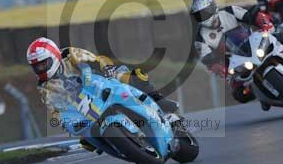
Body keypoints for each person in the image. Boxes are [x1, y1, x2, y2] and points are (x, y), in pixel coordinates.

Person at [26, 38, 178, 151]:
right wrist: (64, 120)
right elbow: (55, 110)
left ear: (54, 56)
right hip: (83, 107)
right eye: (36, 66)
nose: (40, 68)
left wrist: (106, 69)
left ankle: (158, 100)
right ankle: (121, 145)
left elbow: (94, 60)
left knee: (133, 76)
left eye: (43, 63)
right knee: (86, 142)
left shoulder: (69, 54)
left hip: (100, 82)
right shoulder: (44, 86)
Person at [191, 0, 272, 103]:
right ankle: (261, 93)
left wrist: (264, 24)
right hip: (233, 62)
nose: (203, 17)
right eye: (199, 15)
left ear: (213, 7)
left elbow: (251, 16)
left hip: (253, 45)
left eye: (205, 13)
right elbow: (207, 59)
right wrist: (219, 68)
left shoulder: (230, 11)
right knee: (240, 94)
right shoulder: (200, 38)